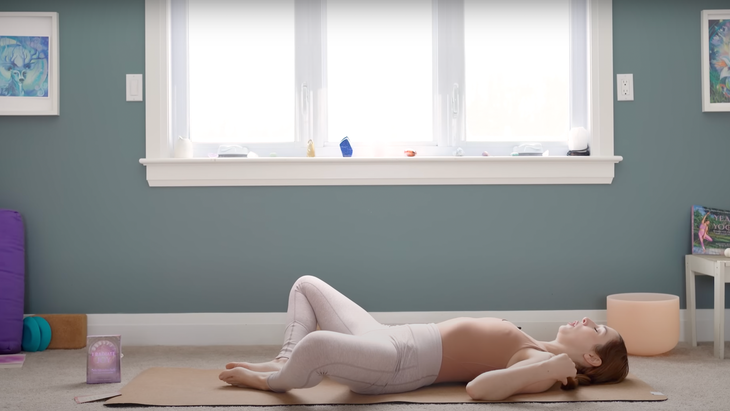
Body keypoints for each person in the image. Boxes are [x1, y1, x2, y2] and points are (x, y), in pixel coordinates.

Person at [219, 276, 629, 401]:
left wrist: (551, 367)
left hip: (396, 363)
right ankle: (284, 361)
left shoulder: (539, 365)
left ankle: (276, 380)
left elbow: (479, 390)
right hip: (388, 336)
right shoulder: (538, 348)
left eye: (597, 330)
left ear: (592, 359)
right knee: (306, 285)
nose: (588, 320)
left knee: (317, 345)